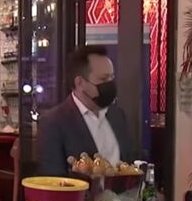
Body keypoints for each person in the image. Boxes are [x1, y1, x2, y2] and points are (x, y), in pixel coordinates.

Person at [37, 45, 139, 176]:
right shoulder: (53, 123)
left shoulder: (118, 116)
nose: (109, 84)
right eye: (103, 79)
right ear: (80, 83)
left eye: (111, 78)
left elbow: (130, 164)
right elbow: (53, 178)